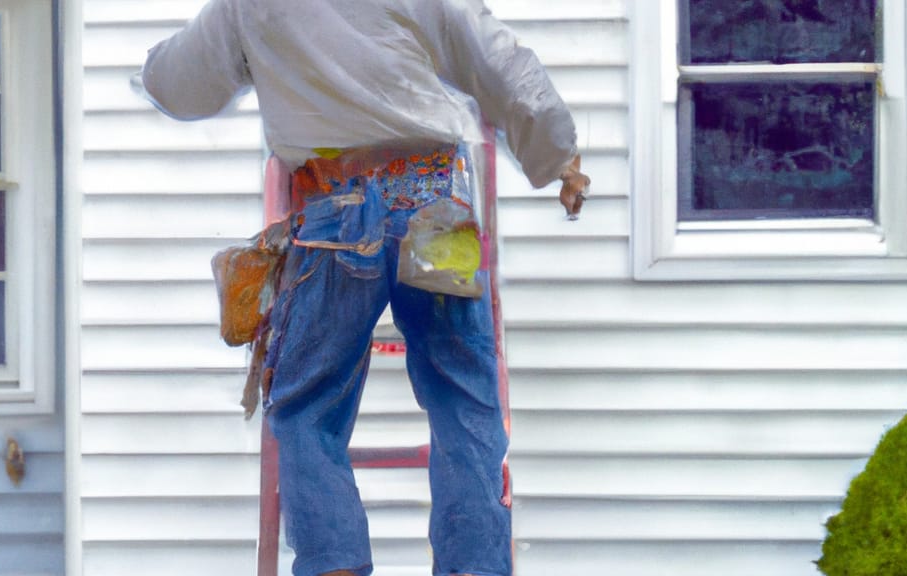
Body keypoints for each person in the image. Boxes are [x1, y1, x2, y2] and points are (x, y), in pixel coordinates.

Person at [139, 1, 590, 575]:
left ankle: (335, 566)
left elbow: (177, 85)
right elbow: (499, 61)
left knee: (307, 407)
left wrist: (234, 56)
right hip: (436, 205)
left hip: (334, 212)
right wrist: (558, 158)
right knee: (462, 398)